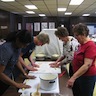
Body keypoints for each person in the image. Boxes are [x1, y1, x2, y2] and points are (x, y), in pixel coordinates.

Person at [0, 30, 36, 96]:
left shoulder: (18, 47)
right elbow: (0, 73)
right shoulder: (6, 49)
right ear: (18, 39)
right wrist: (16, 84)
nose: (25, 47)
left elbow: (16, 60)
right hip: (2, 80)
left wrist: (24, 74)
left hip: (8, 77)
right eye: (24, 44)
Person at [67, 23, 96, 96]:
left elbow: (87, 65)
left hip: (86, 77)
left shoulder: (90, 45)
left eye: (77, 35)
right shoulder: (81, 44)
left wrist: (73, 77)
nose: (75, 37)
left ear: (83, 34)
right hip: (78, 75)